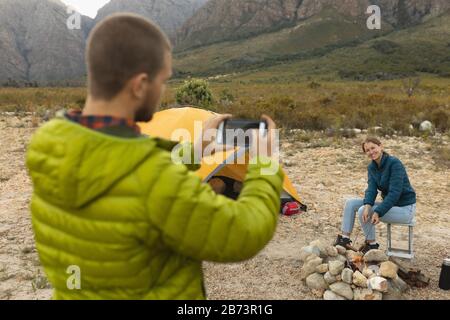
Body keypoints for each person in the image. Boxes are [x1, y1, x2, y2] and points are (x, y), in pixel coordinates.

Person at [26, 14, 284, 300]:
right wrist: (265, 166)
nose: (162, 91)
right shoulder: (152, 179)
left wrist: (195, 150)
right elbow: (242, 233)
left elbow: (121, 169)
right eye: (162, 81)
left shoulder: (53, 144)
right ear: (139, 85)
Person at [335, 137, 417, 253]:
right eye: (367, 150)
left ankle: (372, 245)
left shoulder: (394, 163)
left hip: (405, 209)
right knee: (351, 203)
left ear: (380, 146)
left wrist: (378, 211)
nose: (371, 152)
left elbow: (395, 193)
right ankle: (344, 240)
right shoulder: (372, 167)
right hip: (390, 206)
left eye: (373, 148)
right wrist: (368, 206)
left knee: (362, 209)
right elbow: (371, 189)